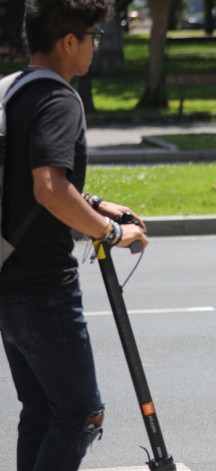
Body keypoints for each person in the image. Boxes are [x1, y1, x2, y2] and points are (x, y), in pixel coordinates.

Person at [0, 1, 149, 469]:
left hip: (7, 275)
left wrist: (94, 203)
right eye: (93, 36)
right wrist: (110, 232)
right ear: (69, 42)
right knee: (83, 413)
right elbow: (47, 188)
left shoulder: (10, 90)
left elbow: (24, 181)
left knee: (42, 410)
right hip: (43, 286)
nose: (95, 45)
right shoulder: (59, 99)